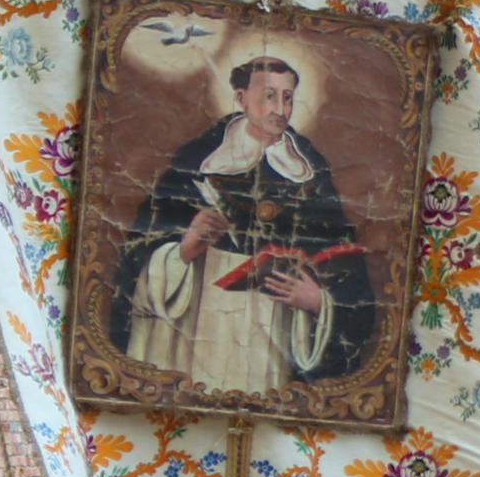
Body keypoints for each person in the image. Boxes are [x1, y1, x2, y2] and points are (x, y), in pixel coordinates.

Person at [111, 52, 378, 393]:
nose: (280, 109)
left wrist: (317, 301)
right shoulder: (198, 160)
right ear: (241, 98)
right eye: (269, 95)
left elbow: (343, 263)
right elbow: (139, 253)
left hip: (274, 330)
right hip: (198, 321)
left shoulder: (309, 171)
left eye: (288, 98)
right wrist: (183, 250)